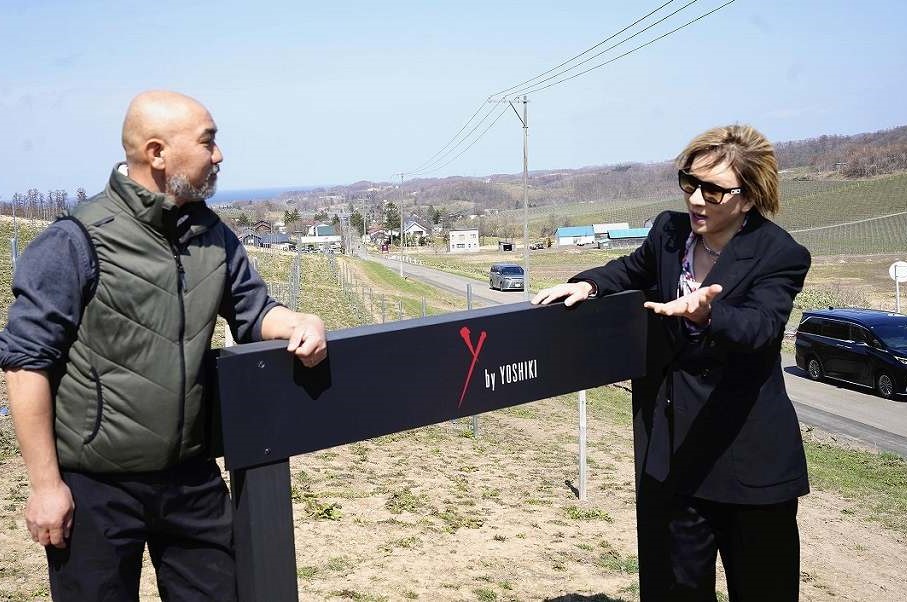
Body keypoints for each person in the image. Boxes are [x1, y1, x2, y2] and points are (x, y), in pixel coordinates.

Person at [0, 90, 328, 601]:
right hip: (96, 490)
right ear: (157, 153)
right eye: (208, 141)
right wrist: (46, 487)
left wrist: (298, 321)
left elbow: (253, 311)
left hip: (190, 481)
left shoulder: (212, 235)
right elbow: (25, 365)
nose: (219, 155)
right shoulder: (76, 240)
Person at [533, 124, 810, 601]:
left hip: (747, 462)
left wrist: (709, 314)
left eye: (714, 190)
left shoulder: (778, 254)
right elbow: (628, 269)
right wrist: (589, 285)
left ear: (747, 198)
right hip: (675, 456)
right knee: (677, 588)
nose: (697, 200)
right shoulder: (669, 233)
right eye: (690, 184)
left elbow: (762, 327)